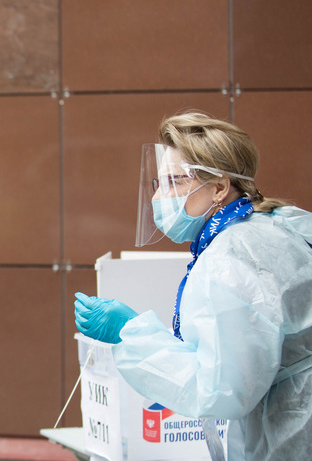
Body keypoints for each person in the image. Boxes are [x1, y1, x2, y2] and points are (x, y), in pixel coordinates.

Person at [74, 112, 312, 461]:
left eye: (175, 182)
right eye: (159, 184)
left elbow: (222, 390)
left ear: (218, 187)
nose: (159, 198)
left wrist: (129, 332)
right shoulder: (272, 226)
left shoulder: (230, 259)